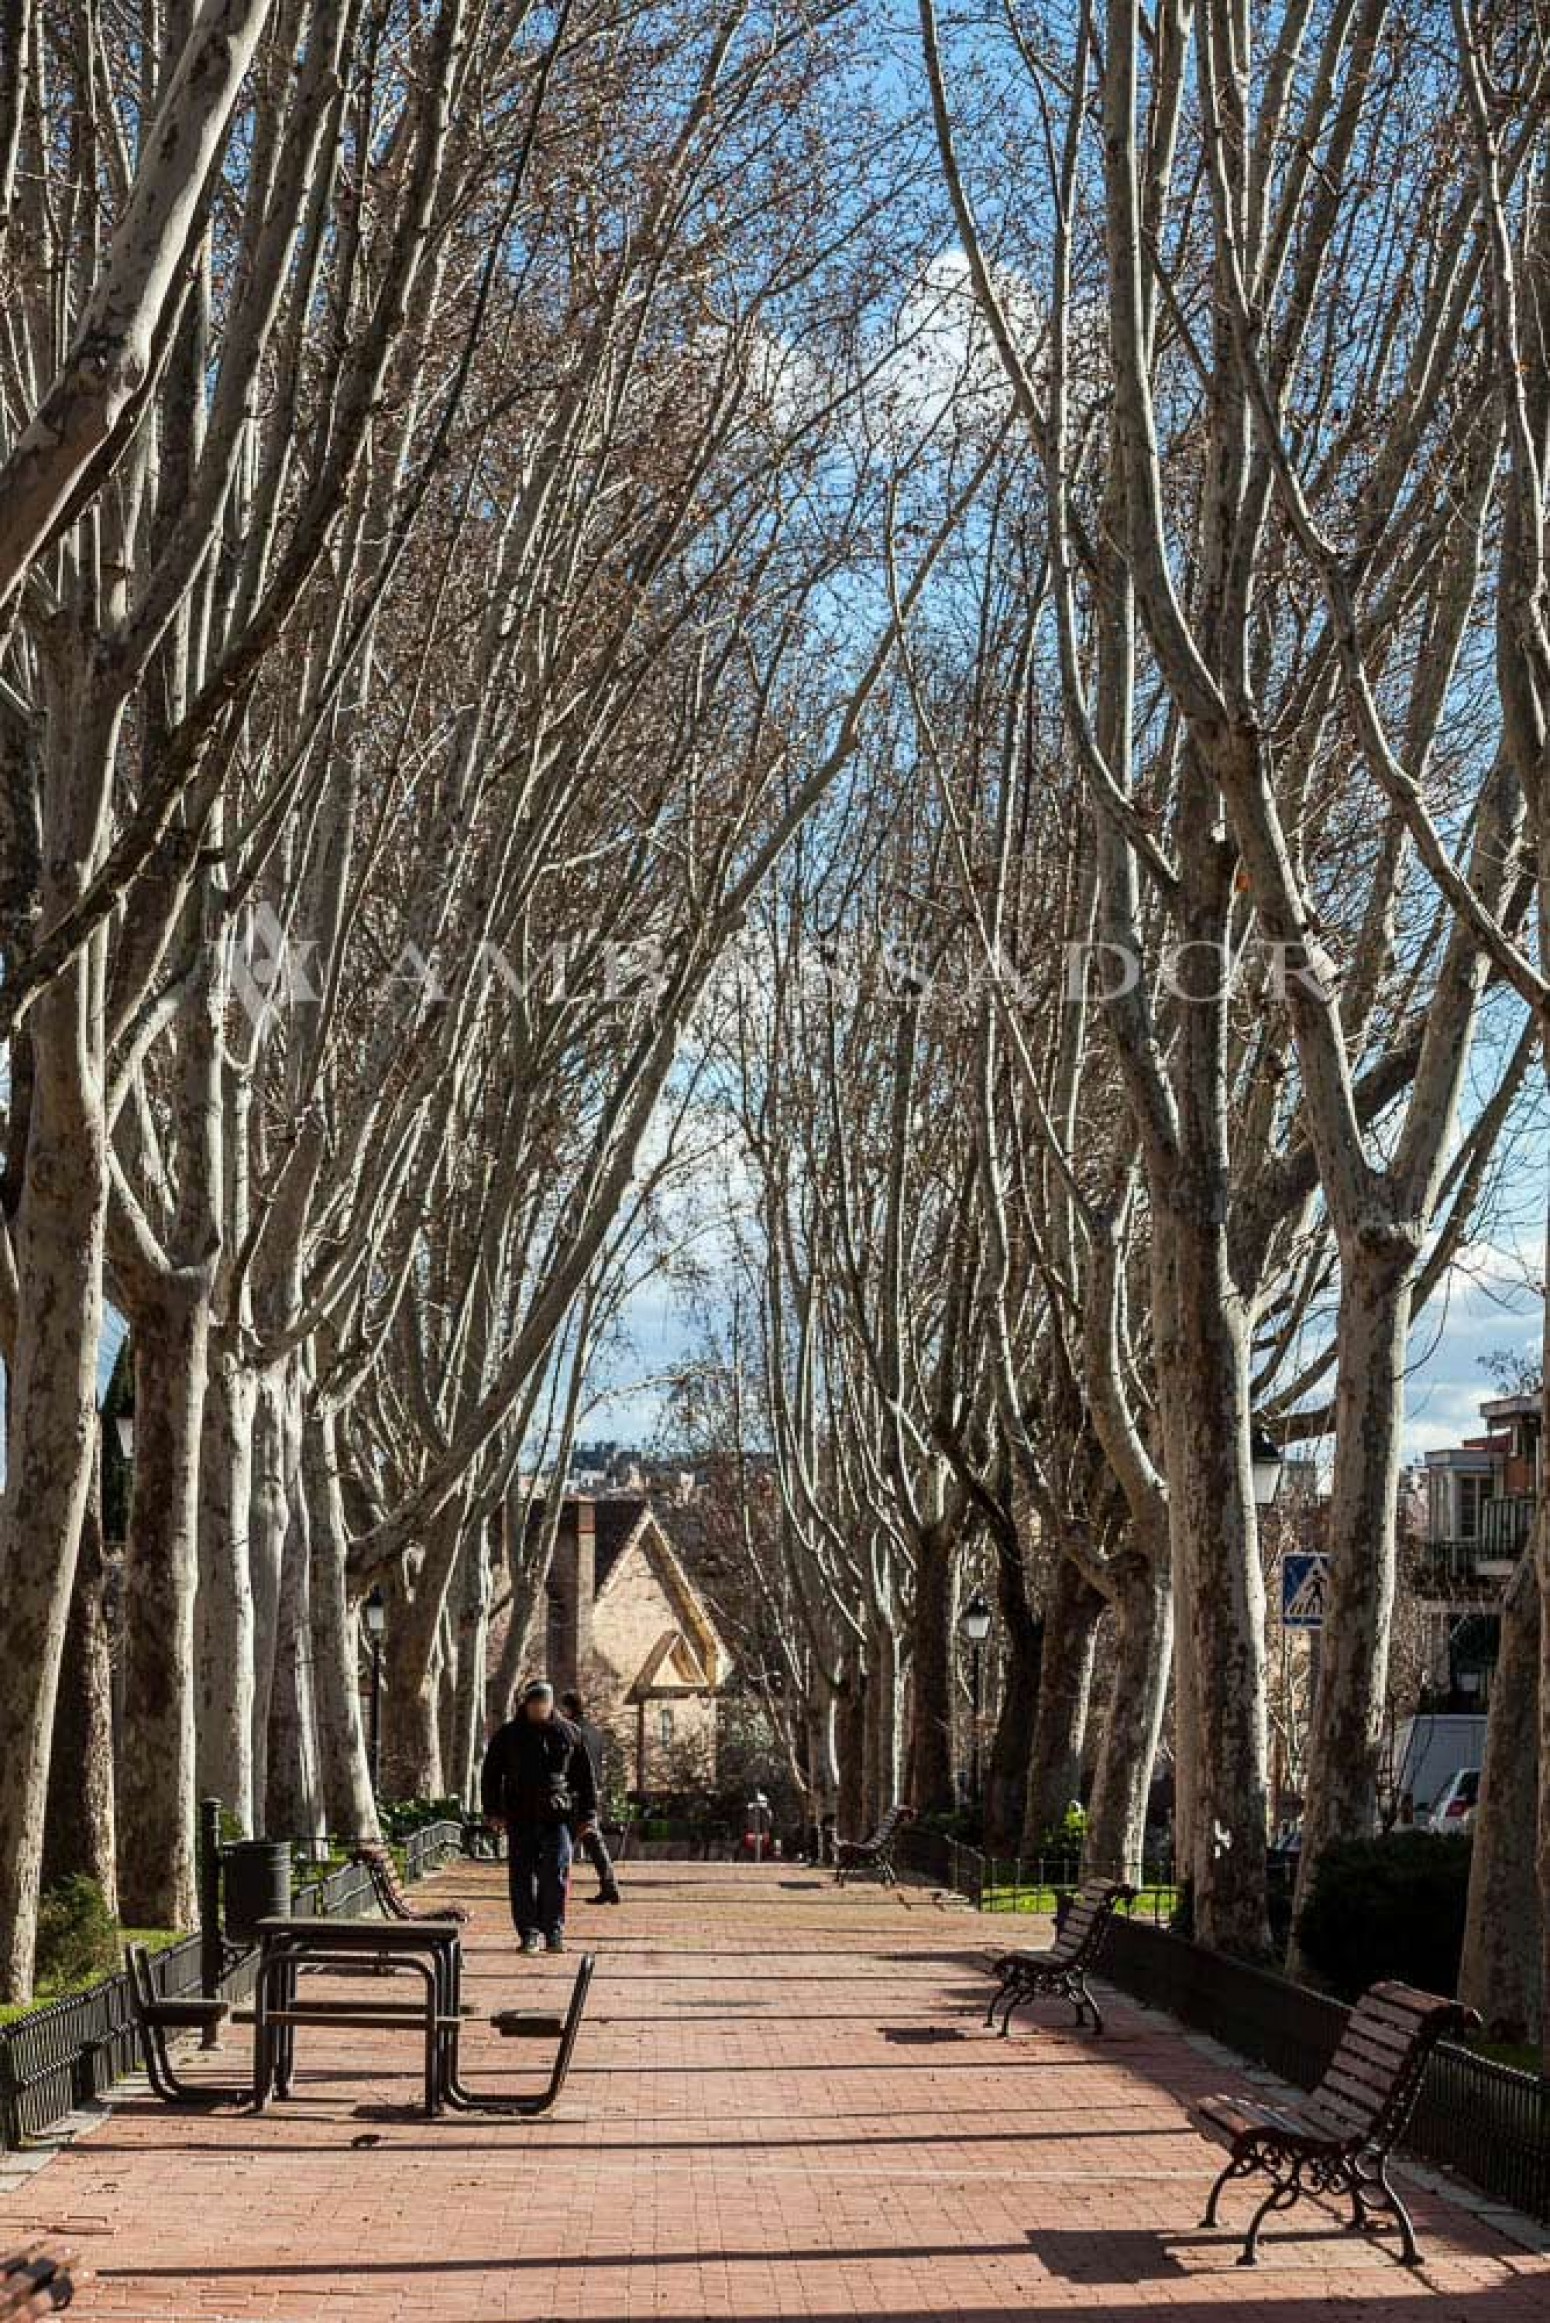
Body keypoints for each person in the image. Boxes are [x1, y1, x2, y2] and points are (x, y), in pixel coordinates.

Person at [480, 1680, 599, 1954]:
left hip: (557, 1815)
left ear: (550, 1704)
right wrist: (493, 1811)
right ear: (525, 1705)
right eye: (533, 1704)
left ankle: (553, 1930)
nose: (538, 1709)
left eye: (542, 1704)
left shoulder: (569, 1732)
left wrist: (588, 1815)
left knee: (556, 1872)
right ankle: (528, 1932)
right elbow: (491, 1775)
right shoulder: (509, 1735)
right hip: (520, 1814)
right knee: (522, 1876)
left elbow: (585, 1778)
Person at [560, 1690, 623, 1904]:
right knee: (594, 1842)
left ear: (568, 1708)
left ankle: (559, 1888)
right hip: (593, 1792)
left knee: (563, 1842)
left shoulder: (572, 1731)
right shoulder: (595, 1732)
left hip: (574, 1793)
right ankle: (609, 1885)